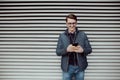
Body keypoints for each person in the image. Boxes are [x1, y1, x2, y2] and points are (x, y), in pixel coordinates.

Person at [56, 13, 92, 80]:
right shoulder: (62, 36)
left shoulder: (83, 35)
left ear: (76, 23)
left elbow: (89, 49)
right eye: (69, 23)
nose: (72, 25)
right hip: (67, 68)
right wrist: (66, 50)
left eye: (73, 23)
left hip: (80, 67)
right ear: (66, 24)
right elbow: (58, 52)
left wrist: (83, 50)